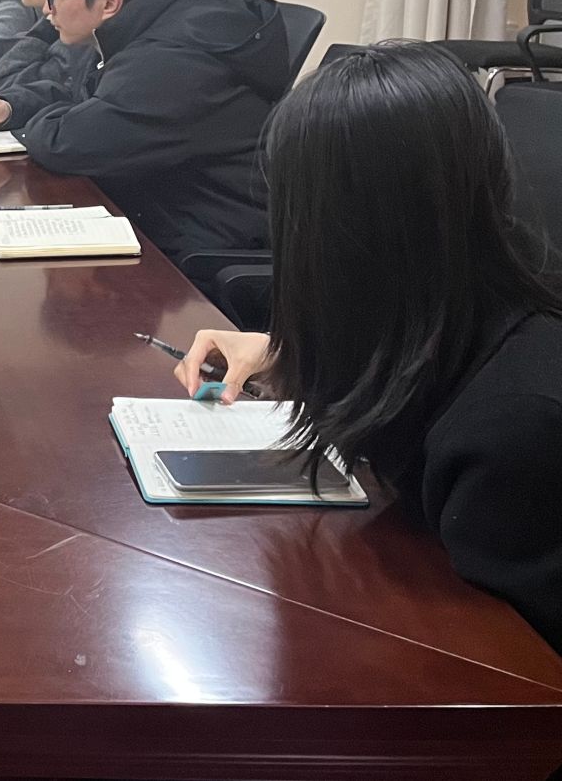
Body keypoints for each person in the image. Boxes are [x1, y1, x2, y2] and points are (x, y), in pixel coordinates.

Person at [172, 43, 562, 652]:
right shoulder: (468, 307)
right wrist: (292, 356)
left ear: (334, 233)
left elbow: (513, 680)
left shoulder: (513, 433)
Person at [0, 0, 289, 276]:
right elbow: (83, 96)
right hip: (160, 208)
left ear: (109, 2)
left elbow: (69, 142)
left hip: (198, 247)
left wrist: (44, 120)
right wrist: (11, 109)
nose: (46, 9)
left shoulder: (171, 59)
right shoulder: (160, 16)